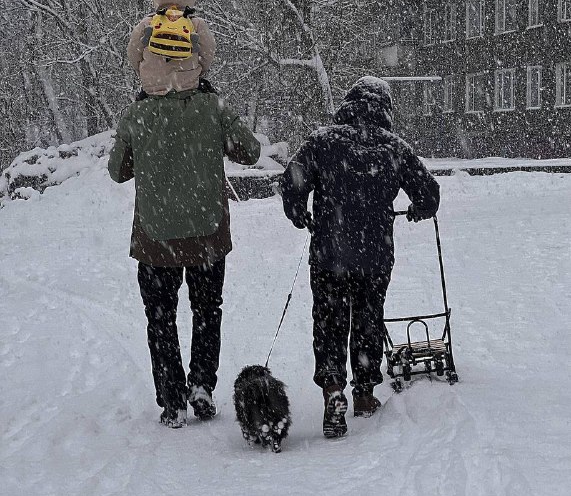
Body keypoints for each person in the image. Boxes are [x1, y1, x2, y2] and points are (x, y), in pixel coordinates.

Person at [108, 24, 260, 430]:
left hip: (155, 238)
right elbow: (250, 151)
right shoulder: (213, 108)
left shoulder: (137, 114)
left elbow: (117, 171)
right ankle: (202, 386)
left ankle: (173, 399)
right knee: (207, 310)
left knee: (160, 318)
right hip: (207, 234)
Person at [281, 77, 440, 439]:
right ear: (385, 109)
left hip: (329, 252)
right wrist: (417, 209)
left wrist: (298, 212)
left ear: (348, 104)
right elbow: (429, 193)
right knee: (368, 317)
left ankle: (333, 388)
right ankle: (365, 394)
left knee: (329, 320)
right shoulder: (393, 147)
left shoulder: (323, 140)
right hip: (374, 253)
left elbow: (291, 181)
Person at [127, 0, 216, 96]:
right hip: (187, 88)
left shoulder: (148, 23)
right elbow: (207, 54)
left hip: (153, 90)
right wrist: (194, 71)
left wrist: (146, 72)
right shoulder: (196, 24)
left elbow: (133, 54)